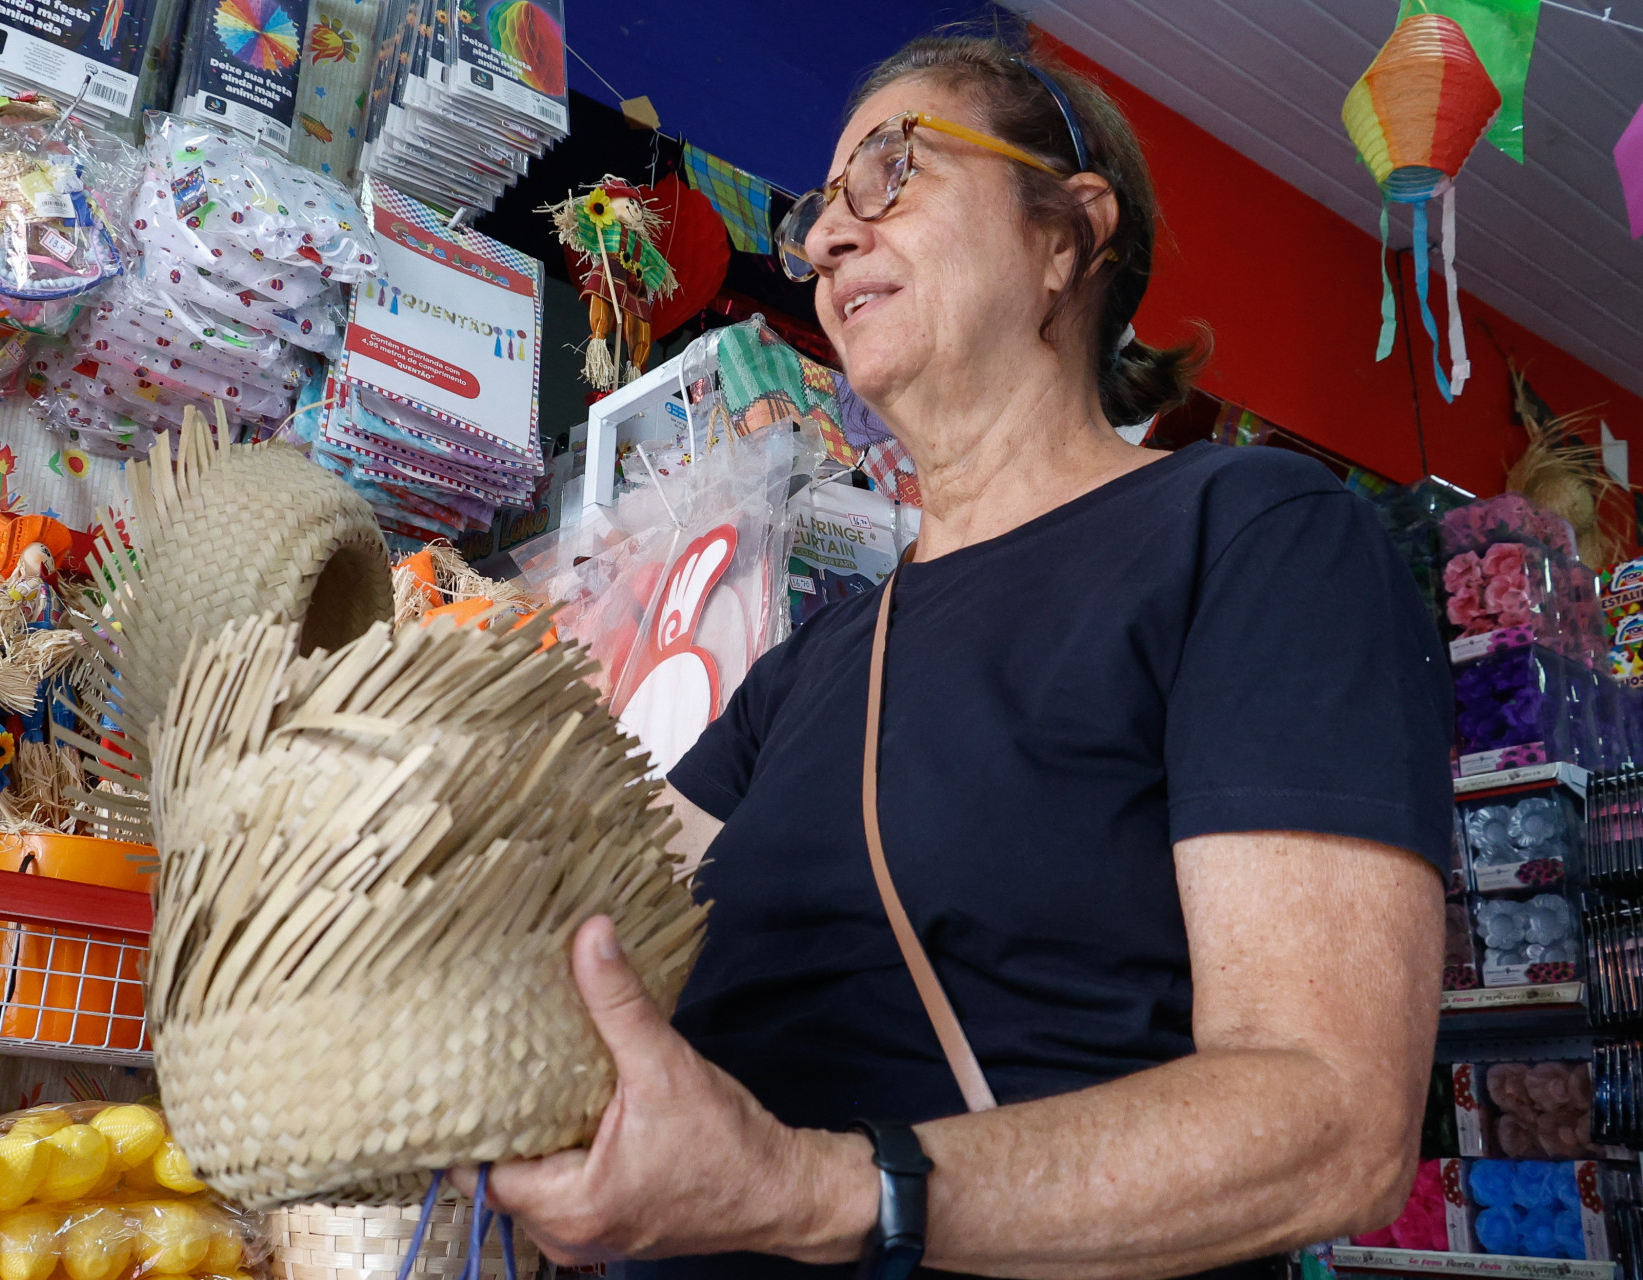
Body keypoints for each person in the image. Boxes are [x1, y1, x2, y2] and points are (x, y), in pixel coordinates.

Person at [456, 35, 1451, 1280]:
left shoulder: (1252, 536)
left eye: (894, 171)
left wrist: (818, 1187)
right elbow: (580, 926)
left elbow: (1332, 1122)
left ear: (1065, 237)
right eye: (819, 211)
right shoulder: (811, 664)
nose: (822, 240)